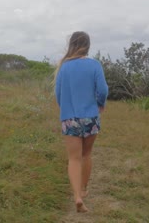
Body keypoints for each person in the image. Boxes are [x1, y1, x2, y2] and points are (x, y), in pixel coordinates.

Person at [54, 31, 108, 213]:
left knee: (73, 158)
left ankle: (77, 196)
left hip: (69, 118)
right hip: (90, 117)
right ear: (88, 45)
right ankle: (84, 189)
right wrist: (100, 104)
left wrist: (67, 109)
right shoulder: (94, 65)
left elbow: (58, 94)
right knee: (86, 155)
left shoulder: (64, 67)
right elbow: (103, 90)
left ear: (72, 44)